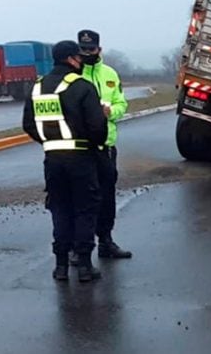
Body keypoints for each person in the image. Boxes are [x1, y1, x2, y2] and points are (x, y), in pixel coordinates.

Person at [22, 40, 109, 282]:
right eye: (79, 58)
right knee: (85, 209)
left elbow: (28, 124)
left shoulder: (38, 87)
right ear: (71, 59)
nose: (82, 62)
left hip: (52, 159)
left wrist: (49, 141)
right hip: (81, 157)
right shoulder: (82, 86)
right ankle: (83, 265)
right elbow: (96, 127)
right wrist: (96, 136)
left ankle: (60, 266)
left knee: (60, 209)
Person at [77, 29, 132, 259]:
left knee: (106, 197)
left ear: (99, 49)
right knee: (81, 199)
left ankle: (106, 241)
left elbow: (122, 103)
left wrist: (111, 112)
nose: (87, 53)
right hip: (80, 148)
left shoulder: (110, 74)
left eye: (91, 49)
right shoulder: (74, 74)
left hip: (106, 146)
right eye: (83, 49)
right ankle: (78, 247)